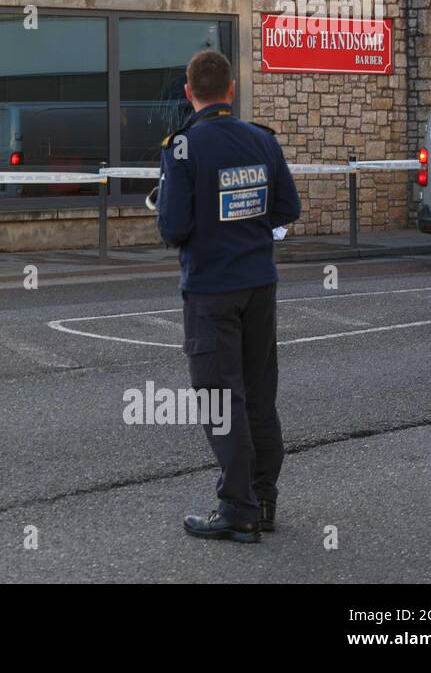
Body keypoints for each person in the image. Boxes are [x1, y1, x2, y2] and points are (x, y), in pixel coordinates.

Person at [155, 50, 301, 543]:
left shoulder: (183, 147)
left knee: (222, 399)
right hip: (260, 285)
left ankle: (237, 507)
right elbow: (287, 207)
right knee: (259, 397)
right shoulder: (262, 140)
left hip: (211, 292)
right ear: (232, 90)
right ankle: (262, 503)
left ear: (188, 91)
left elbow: (174, 228)